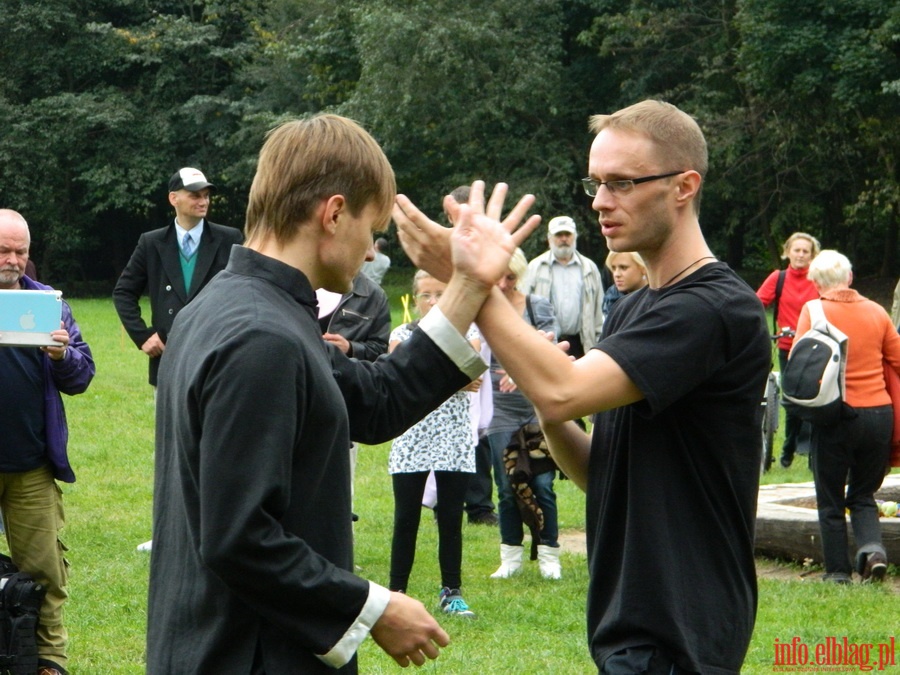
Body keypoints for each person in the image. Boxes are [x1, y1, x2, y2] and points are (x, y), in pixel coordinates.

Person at [145, 114, 537, 674]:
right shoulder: (261, 335)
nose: (374, 252)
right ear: (332, 213)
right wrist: (372, 608)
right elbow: (239, 537)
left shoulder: (238, 307)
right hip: (247, 656)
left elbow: (376, 400)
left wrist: (470, 284)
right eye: (373, 229)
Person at [393, 99, 771, 674]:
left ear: (684, 186)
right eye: (595, 183)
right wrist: (548, 406)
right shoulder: (635, 309)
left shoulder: (714, 308)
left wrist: (471, 281)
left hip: (681, 626)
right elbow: (602, 471)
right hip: (629, 617)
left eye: (621, 183)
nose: (599, 202)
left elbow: (566, 388)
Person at [0, 209, 96, 675]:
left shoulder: (49, 306)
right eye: (3, 250)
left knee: (45, 573)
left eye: (20, 251)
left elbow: (82, 376)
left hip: (32, 465)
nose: (13, 260)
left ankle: (48, 663)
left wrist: (61, 354)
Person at [794, 250, 900, 584]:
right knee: (863, 494)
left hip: (834, 416)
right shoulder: (876, 312)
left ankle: (837, 573)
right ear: (850, 278)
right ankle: (873, 551)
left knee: (830, 498)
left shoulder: (813, 310)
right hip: (879, 415)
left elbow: (800, 367)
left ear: (814, 282)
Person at [388, 270, 481, 617]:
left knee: (451, 516)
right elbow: (399, 377)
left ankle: (451, 590)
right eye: (426, 295)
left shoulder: (468, 332)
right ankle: (396, 591)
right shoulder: (401, 333)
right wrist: (451, 378)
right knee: (406, 517)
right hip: (411, 433)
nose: (433, 301)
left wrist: (428, 377)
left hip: (454, 436)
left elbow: (473, 374)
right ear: (415, 300)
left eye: (440, 294)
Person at [112, 167, 244, 388]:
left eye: (206, 195)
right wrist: (143, 335)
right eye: (195, 195)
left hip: (218, 355)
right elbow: (123, 291)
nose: (203, 201)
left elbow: (245, 291)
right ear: (173, 198)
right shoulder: (151, 243)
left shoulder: (230, 238)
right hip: (168, 358)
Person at [482, 249, 562, 580]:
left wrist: (524, 370)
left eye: (511, 277)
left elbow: (551, 348)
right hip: (498, 407)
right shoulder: (481, 307)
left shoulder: (536, 306)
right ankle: (510, 556)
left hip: (536, 405)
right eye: (497, 276)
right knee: (505, 483)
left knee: (542, 482)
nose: (502, 284)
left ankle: (549, 554)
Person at [449, 185, 499, 526]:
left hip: (485, 341)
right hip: (449, 339)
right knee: (449, 424)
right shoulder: (446, 250)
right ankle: (444, 501)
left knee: (479, 428)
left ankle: (480, 506)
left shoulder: (492, 249)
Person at [756, 232, 821, 467]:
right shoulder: (778, 278)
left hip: (814, 347)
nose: (801, 255)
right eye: (797, 250)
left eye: (806, 251)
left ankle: (809, 446)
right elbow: (757, 303)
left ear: (812, 256)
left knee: (814, 398)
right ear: (788, 252)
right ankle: (788, 447)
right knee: (791, 399)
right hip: (787, 346)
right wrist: (759, 330)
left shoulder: (817, 279)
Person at [521, 215, 604, 360]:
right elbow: (523, 307)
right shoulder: (535, 267)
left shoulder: (589, 268)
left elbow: (599, 310)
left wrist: (599, 343)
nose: (564, 239)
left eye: (567, 234)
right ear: (549, 238)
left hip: (582, 344)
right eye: (559, 235)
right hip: (546, 342)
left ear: (575, 237)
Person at [601, 251, 647, 317]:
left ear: (643, 268)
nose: (616, 274)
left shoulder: (658, 297)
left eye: (623, 267)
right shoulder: (611, 298)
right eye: (613, 268)